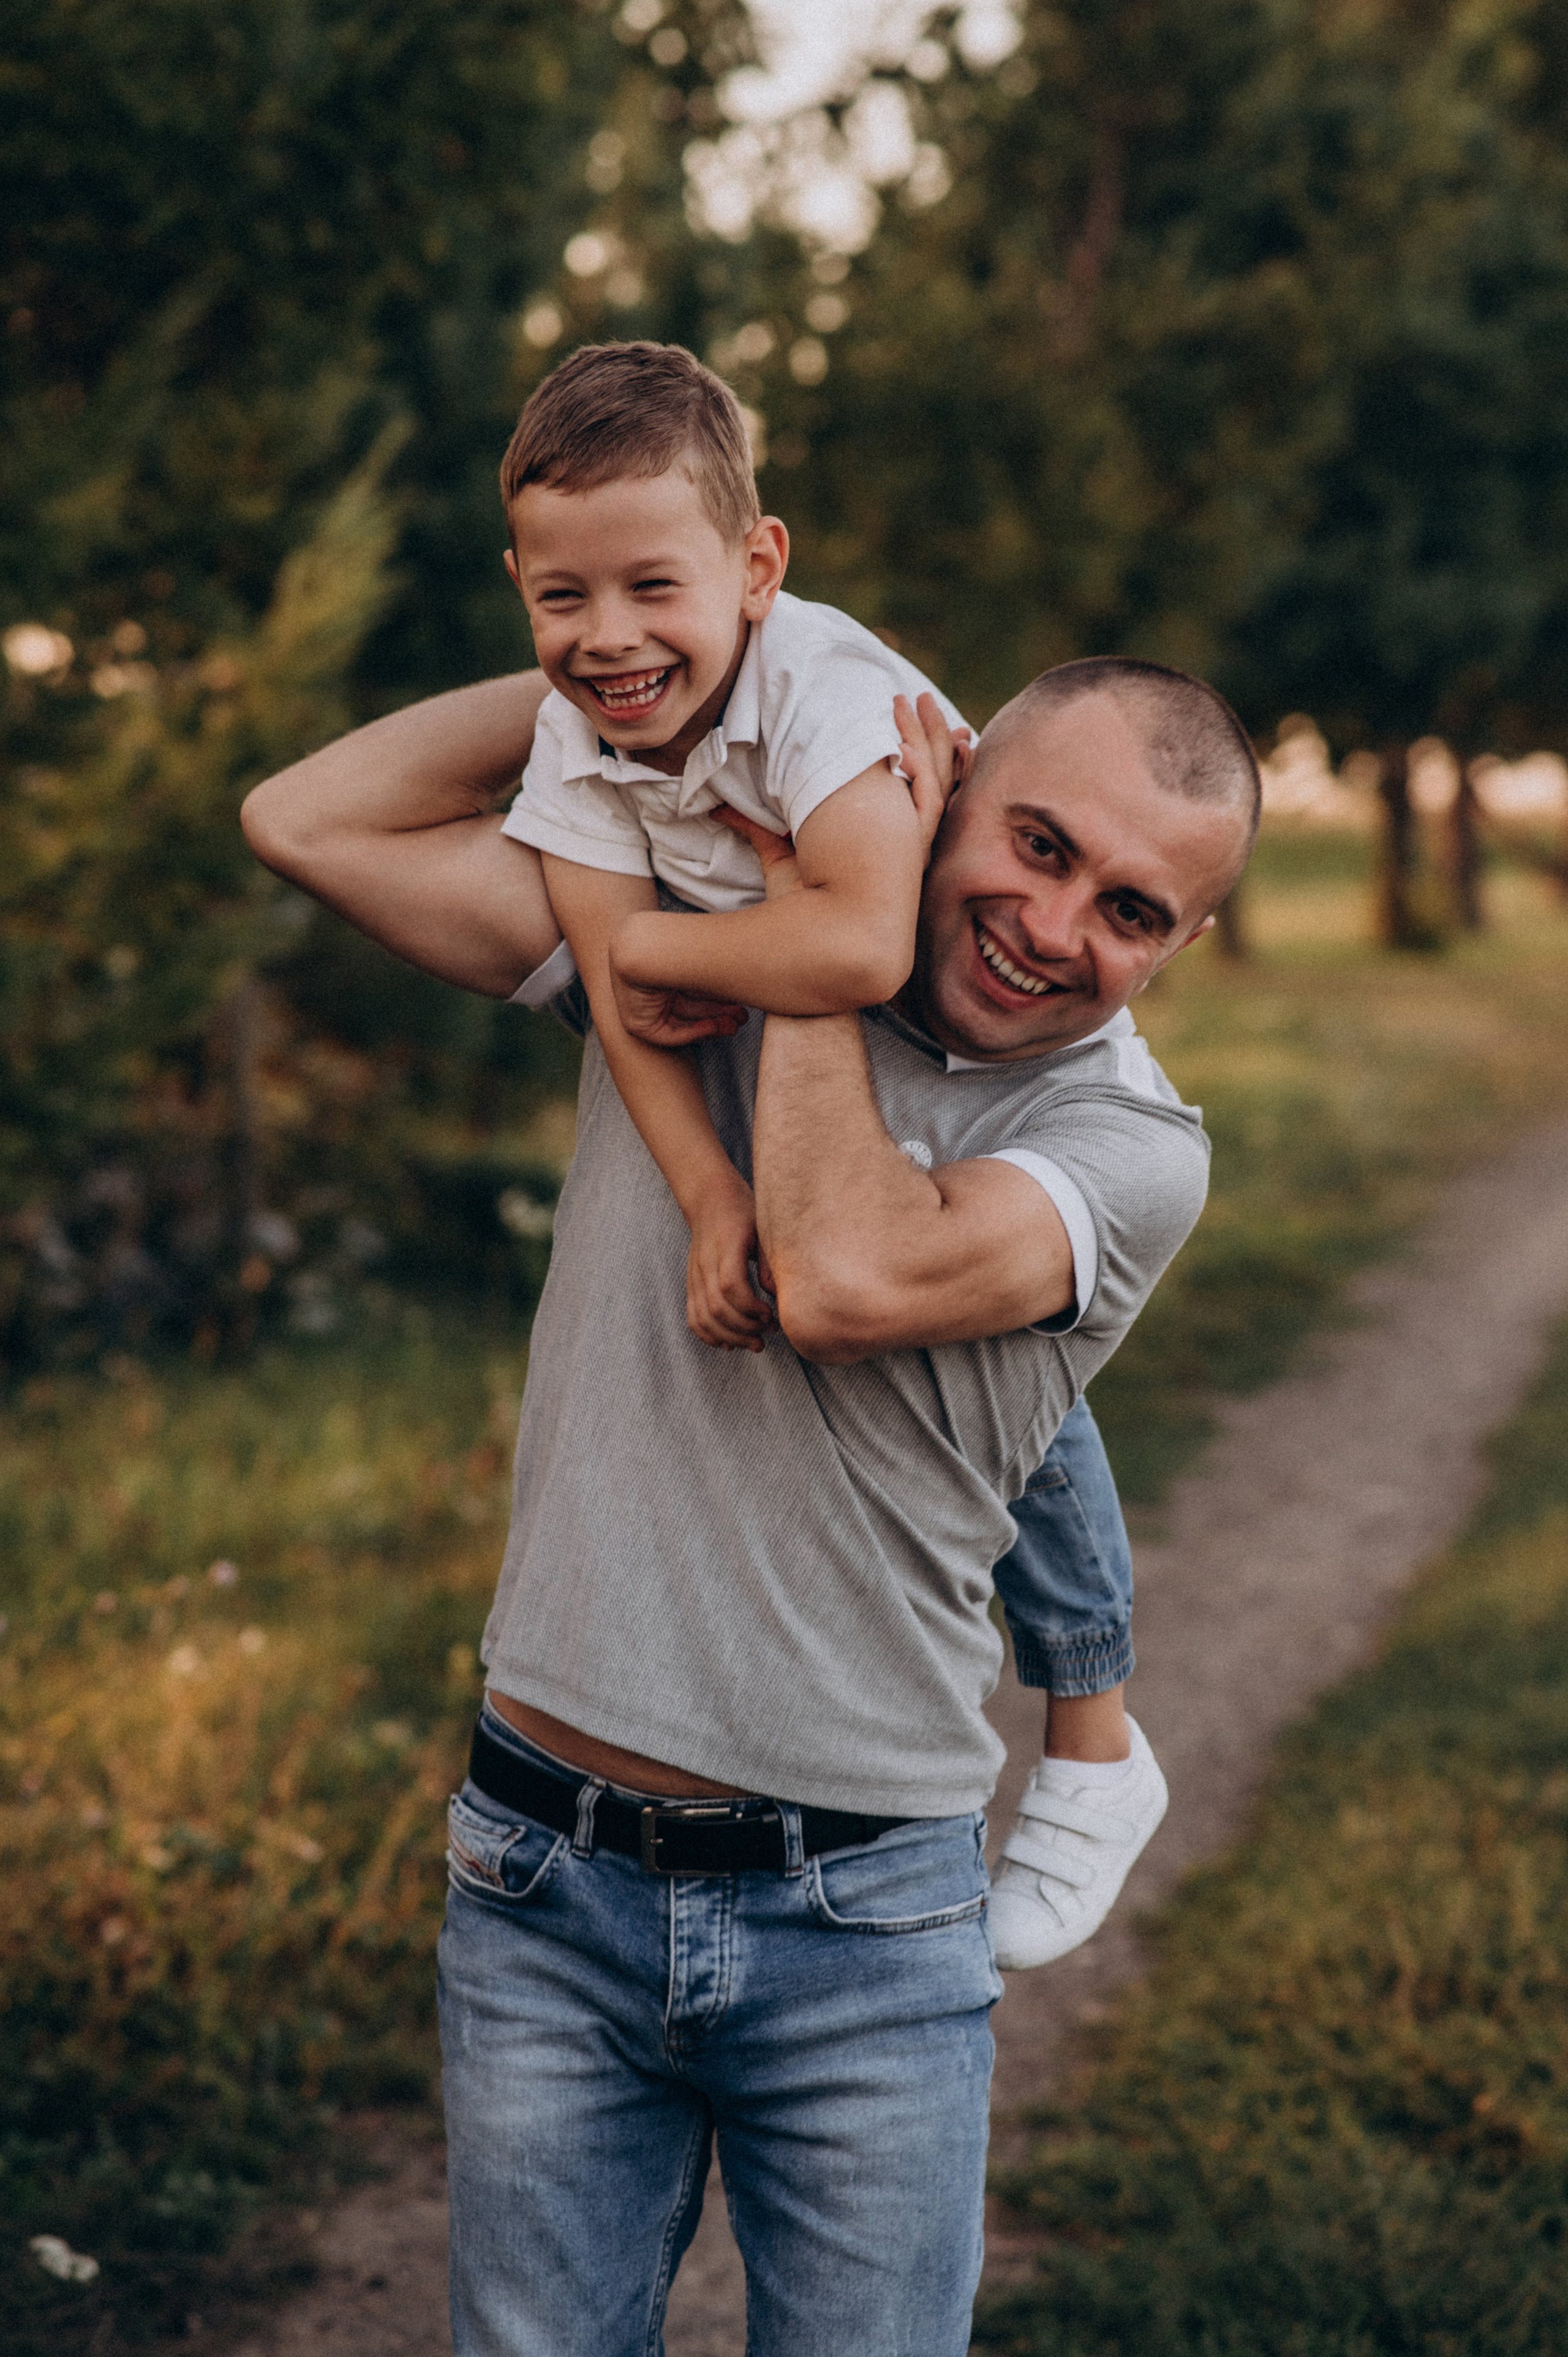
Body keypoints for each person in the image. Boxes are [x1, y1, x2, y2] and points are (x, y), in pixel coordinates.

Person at [242, 648, 1258, 2353]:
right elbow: (310, 817)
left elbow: (841, 1274)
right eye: (1038, 842)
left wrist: (821, 912)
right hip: (543, 1877)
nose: (1057, 925)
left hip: (862, 1929)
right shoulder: (687, 945)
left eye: (1135, 910)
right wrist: (704, 659)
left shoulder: (1129, 1143)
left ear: (1183, 946)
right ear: (941, 778)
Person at [486, 336, 1161, 1965]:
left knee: (1012, 1373)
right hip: (818, 1000)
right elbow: (614, 960)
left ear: (762, 570)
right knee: (914, 1327)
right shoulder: (591, 718)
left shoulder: (824, 692)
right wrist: (712, 1195)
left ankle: (1096, 1731)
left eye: (654, 583)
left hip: (968, 988)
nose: (607, 633)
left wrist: (674, 949)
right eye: (557, 596)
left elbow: (846, 952)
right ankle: (1091, 1723)